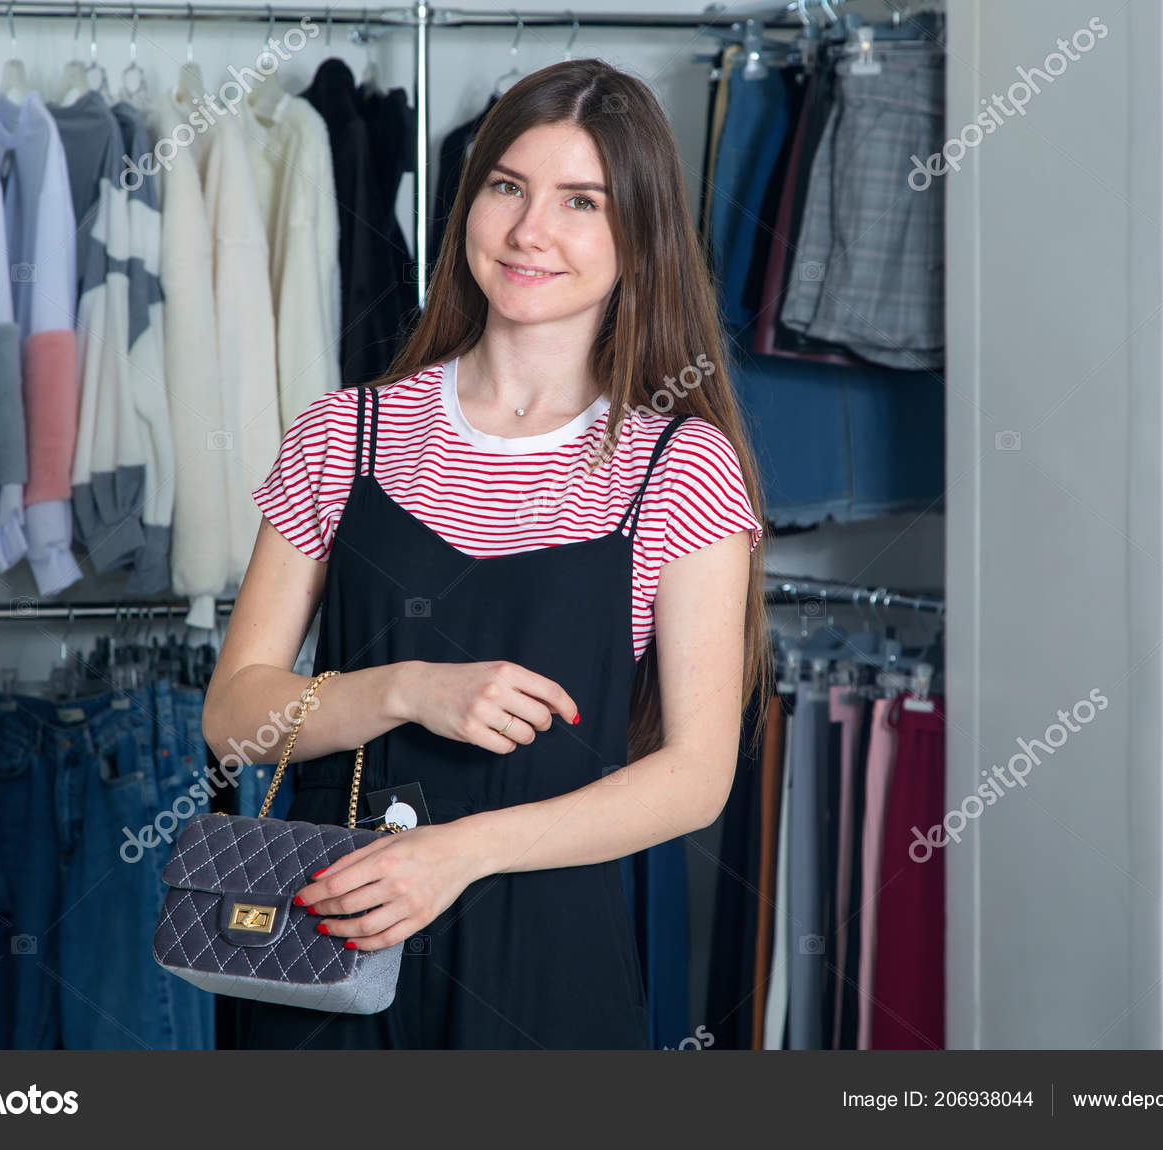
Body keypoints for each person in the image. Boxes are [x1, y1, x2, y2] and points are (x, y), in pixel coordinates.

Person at [202, 57, 772, 1050]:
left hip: (546, 963)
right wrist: (407, 689)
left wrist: (459, 854)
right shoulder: (343, 434)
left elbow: (693, 778)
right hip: (325, 947)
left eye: (581, 201)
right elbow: (234, 720)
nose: (527, 231)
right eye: (507, 186)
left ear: (639, 234)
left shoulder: (679, 466)